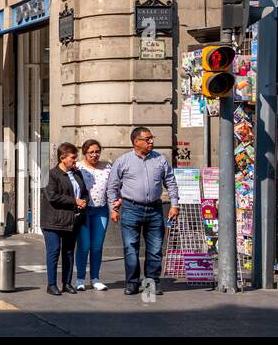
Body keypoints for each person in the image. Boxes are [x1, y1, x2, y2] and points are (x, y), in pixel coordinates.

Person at [107, 126, 179, 296]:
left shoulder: (160, 159)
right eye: (147, 139)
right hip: (131, 209)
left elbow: (171, 182)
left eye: (151, 138)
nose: (151, 142)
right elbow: (112, 186)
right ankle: (132, 282)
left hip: (154, 209)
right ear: (136, 141)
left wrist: (174, 204)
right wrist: (113, 208)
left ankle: (151, 282)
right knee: (130, 248)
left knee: (155, 249)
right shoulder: (123, 161)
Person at [42, 143, 89, 295]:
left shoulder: (76, 173)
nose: (76, 160)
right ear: (62, 158)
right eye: (73, 157)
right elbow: (52, 197)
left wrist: (84, 201)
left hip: (71, 220)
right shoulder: (51, 175)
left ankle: (67, 283)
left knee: (69, 252)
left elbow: (84, 191)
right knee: (54, 251)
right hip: (53, 221)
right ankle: (51, 284)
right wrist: (75, 201)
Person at [74, 139, 111, 291]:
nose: (95, 155)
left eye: (97, 151)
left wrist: (117, 200)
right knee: (84, 245)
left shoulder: (108, 166)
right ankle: (80, 279)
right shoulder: (78, 167)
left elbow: (114, 185)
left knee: (97, 246)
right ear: (84, 153)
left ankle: (95, 278)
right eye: (91, 152)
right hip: (84, 210)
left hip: (101, 210)